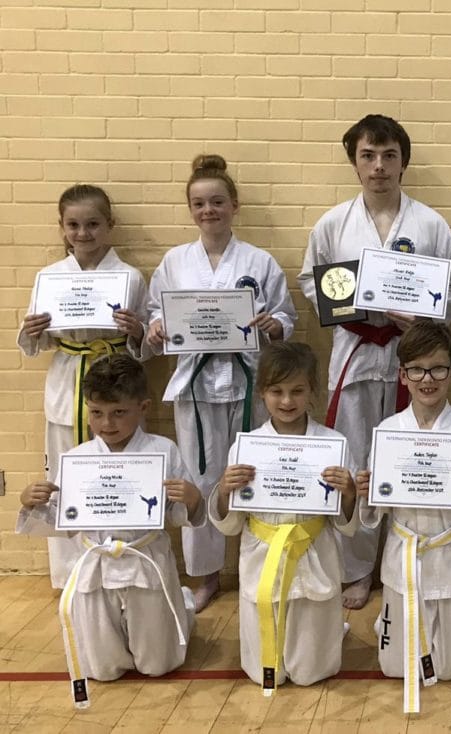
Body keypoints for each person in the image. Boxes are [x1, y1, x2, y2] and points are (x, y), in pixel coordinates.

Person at [298, 114, 451, 611]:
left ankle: (404, 556)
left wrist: (424, 316)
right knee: (354, 460)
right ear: (354, 162)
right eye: (368, 156)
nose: (378, 167)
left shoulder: (430, 224)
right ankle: (354, 570)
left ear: (403, 162)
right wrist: (357, 305)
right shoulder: (333, 223)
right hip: (356, 348)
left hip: (411, 355)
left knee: (408, 456)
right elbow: (313, 281)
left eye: (389, 155)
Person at [147, 154, 297, 612]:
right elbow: (158, 311)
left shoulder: (259, 260)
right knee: (201, 477)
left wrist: (274, 326)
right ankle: (206, 576)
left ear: (235, 204)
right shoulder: (175, 261)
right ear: (190, 209)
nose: (208, 210)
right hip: (195, 386)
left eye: (217, 201)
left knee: (253, 472)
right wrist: (155, 328)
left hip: (248, 382)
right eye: (199, 203)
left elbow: (286, 316)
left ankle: (259, 558)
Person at [17, 354, 203, 708]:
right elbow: (61, 524)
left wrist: (193, 499)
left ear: (143, 407)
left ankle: (182, 608)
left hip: (145, 560)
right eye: (96, 412)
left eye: (119, 412)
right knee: (102, 669)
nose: (106, 423)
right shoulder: (78, 457)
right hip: (95, 566)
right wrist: (31, 502)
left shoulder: (163, 451)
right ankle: (172, 608)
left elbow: (183, 516)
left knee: (158, 665)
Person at [354, 322, 451, 713]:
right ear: (402, 375)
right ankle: (391, 623)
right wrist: (368, 495)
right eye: (416, 369)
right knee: (396, 668)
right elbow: (373, 513)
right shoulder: (388, 430)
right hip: (405, 556)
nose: (427, 378)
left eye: (437, 369)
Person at [18, 185, 150, 589]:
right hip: (68, 379)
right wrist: (32, 330)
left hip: (116, 380)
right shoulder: (49, 277)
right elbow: (31, 346)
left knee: (116, 474)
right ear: (61, 228)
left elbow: (147, 344)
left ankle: (120, 562)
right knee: (63, 474)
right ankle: (70, 575)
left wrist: (136, 331)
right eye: (73, 225)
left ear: (110, 226)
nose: (83, 233)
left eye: (92, 224)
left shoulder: (129, 276)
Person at [210, 342, 358, 692]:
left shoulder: (333, 443)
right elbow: (231, 524)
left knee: (310, 674)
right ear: (261, 392)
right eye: (276, 391)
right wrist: (223, 490)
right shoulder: (246, 447)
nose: (287, 401)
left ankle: (331, 631)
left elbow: (345, 524)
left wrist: (349, 493)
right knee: (267, 673)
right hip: (263, 558)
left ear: (312, 392)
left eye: (297, 391)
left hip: (314, 554)